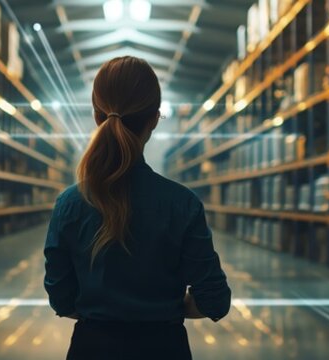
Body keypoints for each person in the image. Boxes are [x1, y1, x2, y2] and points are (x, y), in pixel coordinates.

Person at [43, 56, 232, 360]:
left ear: (96, 115)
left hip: (91, 349)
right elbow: (215, 301)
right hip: (164, 347)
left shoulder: (69, 204)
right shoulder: (183, 205)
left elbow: (61, 298)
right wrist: (165, 307)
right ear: (155, 119)